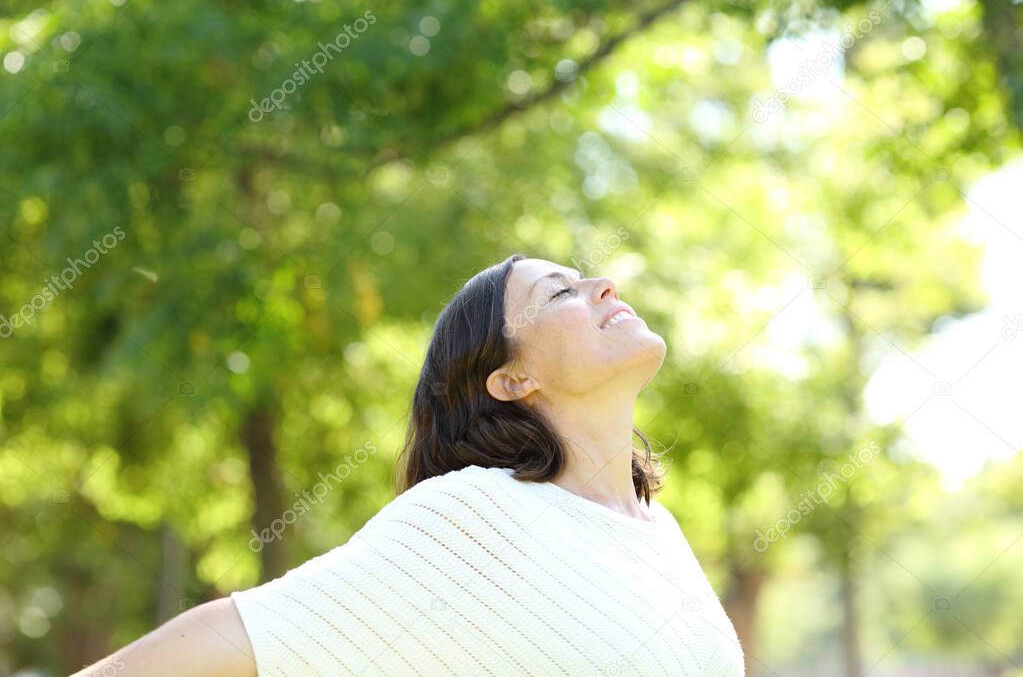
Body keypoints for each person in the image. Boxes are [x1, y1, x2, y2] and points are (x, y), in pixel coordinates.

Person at [71, 254, 745, 676]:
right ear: (509, 380)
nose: (601, 285)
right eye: (558, 292)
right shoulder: (473, 519)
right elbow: (245, 632)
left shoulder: (657, 528)